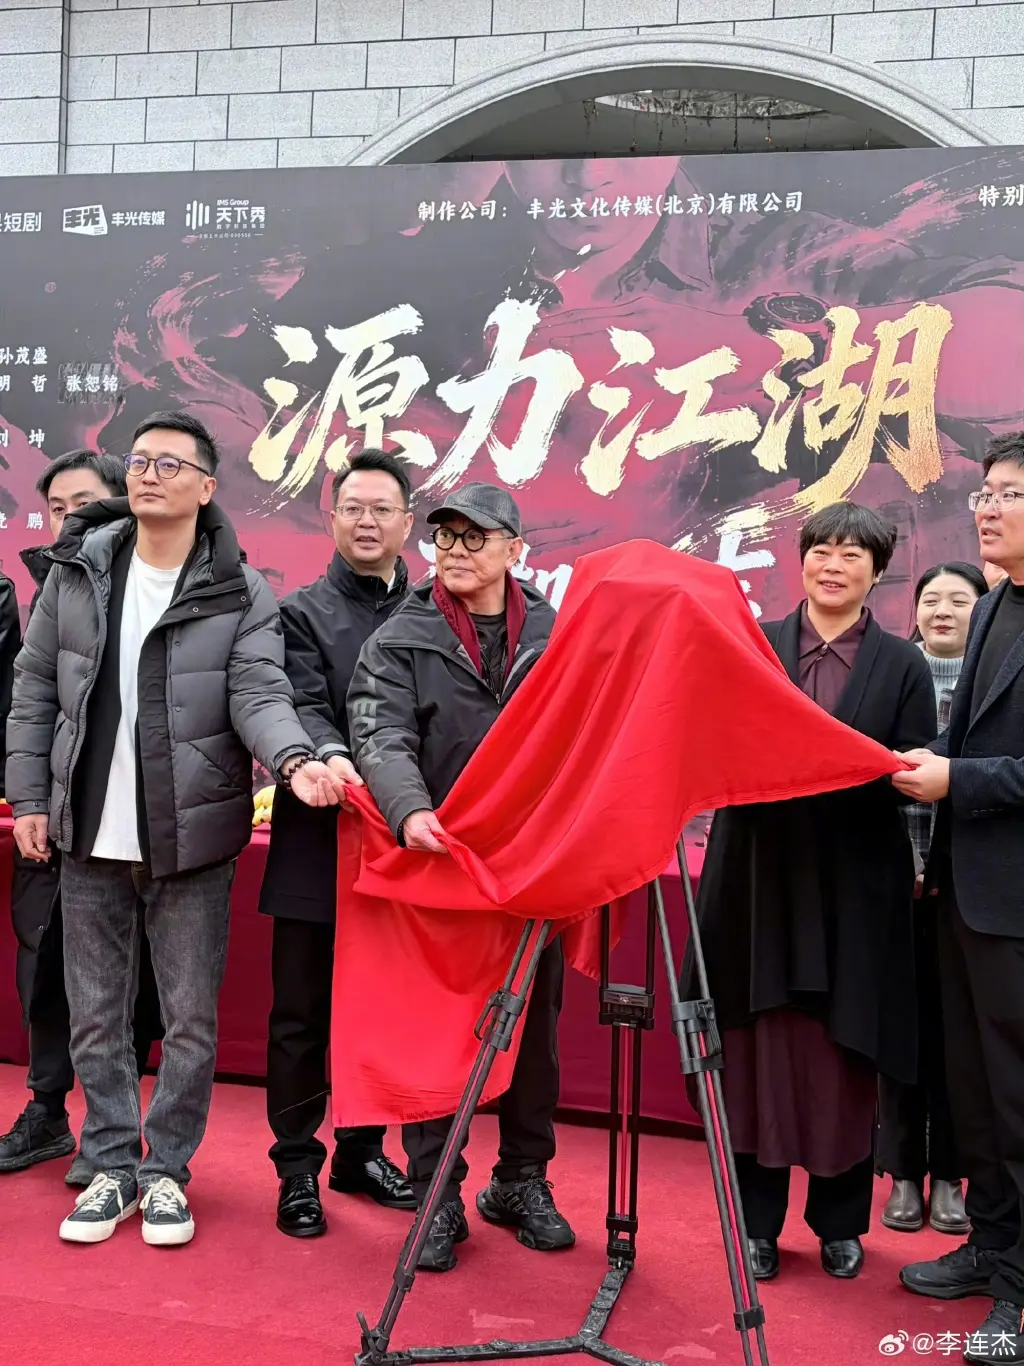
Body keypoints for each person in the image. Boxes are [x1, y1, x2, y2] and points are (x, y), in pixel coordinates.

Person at [5, 411, 347, 1248]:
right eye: (140, 461)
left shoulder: (239, 588)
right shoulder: (78, 572)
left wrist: (295, 759)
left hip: (191, 838)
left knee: (189, 1021)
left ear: (206, 486)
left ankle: (166, 1172)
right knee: (95, 1014)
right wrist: (29, 799)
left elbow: (260, 692)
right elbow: (35, 688)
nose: (149, 474)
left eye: (169, 463)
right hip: (88, 832)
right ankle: (110, 1163)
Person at [682, 502, 936, 1283]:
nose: (834, 564)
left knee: (845, 1052)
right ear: (802, 560)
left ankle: (839, 1223)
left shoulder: (902, 664)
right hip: (757, 880)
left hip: (855, 886)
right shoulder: (753, 644)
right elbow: (712, 739)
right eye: (823, 549)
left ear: (877, 571)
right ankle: (758, 1226)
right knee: (757, 1054)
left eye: (853, 554)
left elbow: (913, 767)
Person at [347, 483, 574, 1273]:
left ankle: (522, 1179)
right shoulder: (401, 638)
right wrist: (408, 809)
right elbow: (378, 732)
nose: (456, 551)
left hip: (533, 868)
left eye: (475, 538)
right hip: (437, 866)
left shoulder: (557, 634)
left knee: (534, 1033)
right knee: (436, 1036)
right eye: (445, 537)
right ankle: (436, 1193)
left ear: (515, 549)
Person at [260, 449, 416, 1237]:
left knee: (381, 1012)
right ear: (332, 519)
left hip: (401, 852)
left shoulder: (432, 613)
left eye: (382, 509)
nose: (367, 521)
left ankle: (361, 1152)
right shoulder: (298, 613)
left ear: (407, 522)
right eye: (353, 507)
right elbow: (302, 703)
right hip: (318, 839)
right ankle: (296, 1167)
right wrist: (330, 757)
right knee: (300, 1016)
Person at [0, 450, 163, 1187]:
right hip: (53, 816)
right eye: (58, 507)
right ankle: (45, 1109)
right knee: (42, 960)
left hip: (130, 818)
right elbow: (28, 704)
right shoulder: (48, 587)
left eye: (85, 503)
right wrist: (29, 799)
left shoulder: (152, 578)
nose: (70, 518)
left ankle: (115, 1126)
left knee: (127, 976)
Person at [896, 433, 1024, 1365]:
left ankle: (1019, 1294)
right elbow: (967, 740)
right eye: (986, 493)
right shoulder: (992, 608)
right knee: (976, 1094)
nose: (987, 509)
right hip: (966, 895)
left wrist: (958, 781)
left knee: (1019, 1099)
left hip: (1018, 906)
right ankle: (992, 1243)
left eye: (1010, 494)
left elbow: (986, 767)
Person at [878, 563, 987, 1238]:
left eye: (959, 600)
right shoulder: (892, 672)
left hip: (965, 892)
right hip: (894, 885)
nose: (942, 610)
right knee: (899, 1031)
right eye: (930, 599)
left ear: (986, 610)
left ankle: (950, 1174)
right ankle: (901, 1174)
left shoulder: (994, 682)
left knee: (958, 1040)